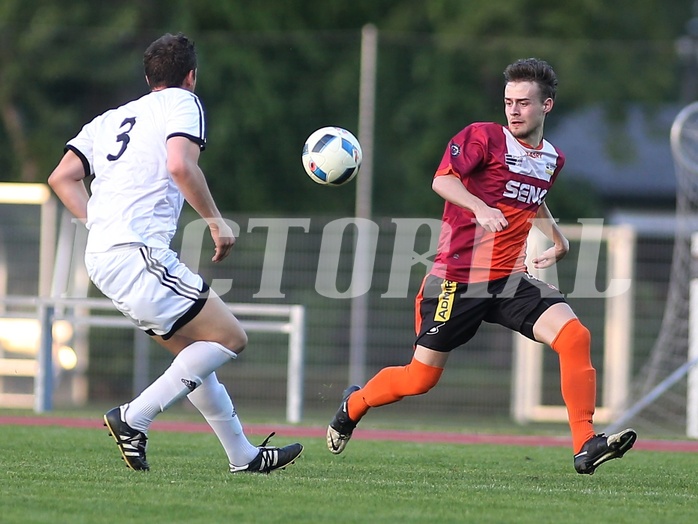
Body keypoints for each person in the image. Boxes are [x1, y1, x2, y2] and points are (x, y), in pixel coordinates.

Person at [327, 58, 636, 475]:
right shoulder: (483, 137)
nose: (513, 110)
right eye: (508, 101)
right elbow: (443, 180)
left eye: (523, 103)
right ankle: (354, 404)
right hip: (455, 281)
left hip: (507, 279)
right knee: (420, 379)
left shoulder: (551, 158)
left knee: (575, 336)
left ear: (547, 106)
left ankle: (585, 443)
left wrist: (558, 238)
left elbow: (533, 195)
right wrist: (479, 206)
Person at [48, 32, 302, 473]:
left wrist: (102, 225)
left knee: (196, 352)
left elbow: (62, 177)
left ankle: (243, 456)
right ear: (191, 76)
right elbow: (180, 165)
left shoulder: (110, 118)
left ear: (149, 77)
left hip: (105, 257)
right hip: (136, 251)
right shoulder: (184, 102)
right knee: (231, 338)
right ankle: (133, 417)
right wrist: (216, 222)